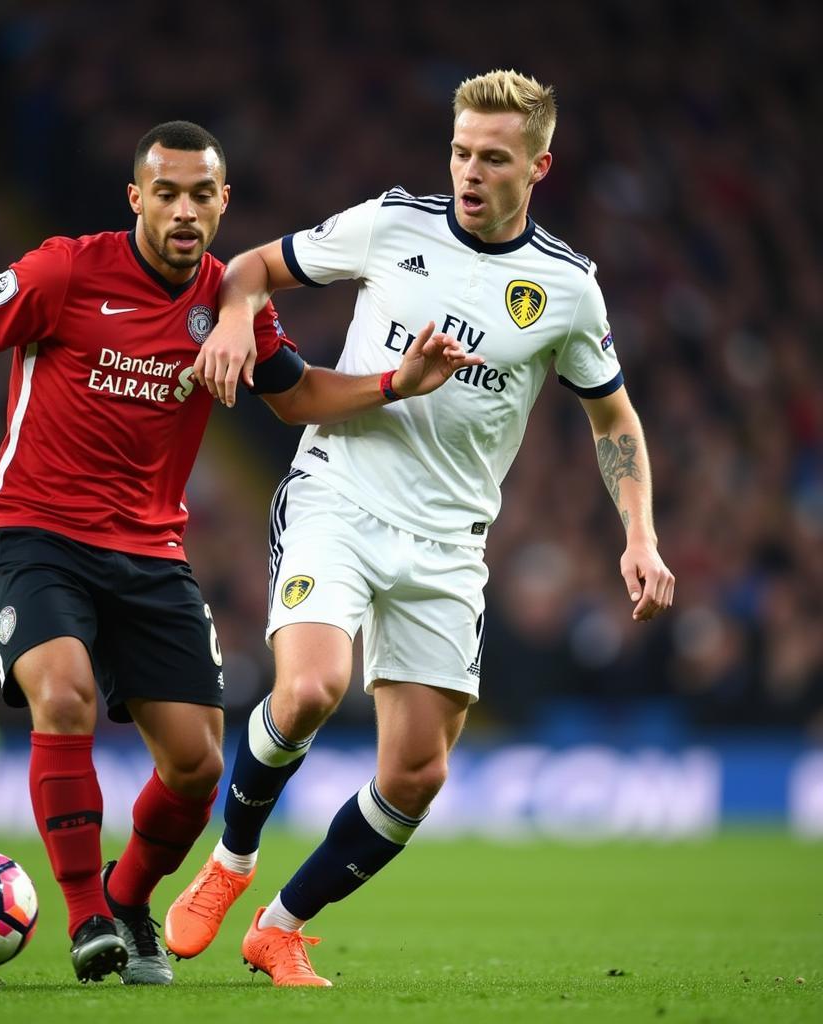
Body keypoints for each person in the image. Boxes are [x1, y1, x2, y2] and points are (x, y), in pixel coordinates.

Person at [0, 120, 476, 986]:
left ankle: (127, 898)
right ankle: (84, 921)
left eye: (201, 196)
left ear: (223, 202)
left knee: (194, 767)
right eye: (167, 193)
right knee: (64, 693)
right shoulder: (64, 270)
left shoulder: (233, 299)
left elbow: (294, 396)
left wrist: (392, 385)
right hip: (34, 531)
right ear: (135, 197)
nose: (184, 212)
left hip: (151, 553)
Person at [165, 71, 676, 986]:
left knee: (415, 775)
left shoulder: (566, 290)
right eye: (460, 152)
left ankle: (280, 926)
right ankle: (229, 863)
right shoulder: (392, 223)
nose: (470, 172)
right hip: (342, 496)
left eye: (493, 158)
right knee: (315, 686)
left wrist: (639, 535)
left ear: (539, 166)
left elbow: (615, 421)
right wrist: (238, 315)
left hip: (448, 545)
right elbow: (251, 267)